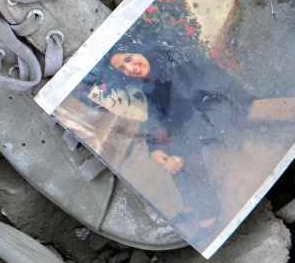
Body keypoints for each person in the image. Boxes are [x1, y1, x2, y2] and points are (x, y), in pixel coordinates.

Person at [106, 41, 255, 242]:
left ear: (138, 51)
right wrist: (154, 149)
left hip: (217, 112)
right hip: (193, 118)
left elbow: (196, 111)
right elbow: (155, 115)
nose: (130, 68)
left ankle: (209, 214)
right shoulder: (152, 78)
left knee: (181, 153)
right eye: (123, 68)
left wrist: (180, 155)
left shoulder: (174, 65)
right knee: (166, 148)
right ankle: (190, 204)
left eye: (129, 58)